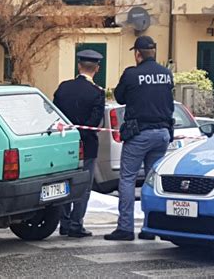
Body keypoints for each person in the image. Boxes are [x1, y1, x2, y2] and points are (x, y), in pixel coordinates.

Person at [104, 36, 174, 241]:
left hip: (139, 134)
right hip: (162, 134)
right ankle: (150, 227)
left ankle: (125, 228)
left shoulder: (132, 74)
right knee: (152, 182)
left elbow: (120, 97)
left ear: (137, 54)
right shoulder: (166, 74)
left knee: (127, 179)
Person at [53, 49, 105, 238]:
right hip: (87, 145)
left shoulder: (63, 87)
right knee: (83, 186)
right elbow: (94, 123)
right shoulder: (97, 93)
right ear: (97, 69)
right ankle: (76, 223)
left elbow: (55, 116)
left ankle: (64, 222)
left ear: (78, 66)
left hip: (64, 144)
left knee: (65, 183)